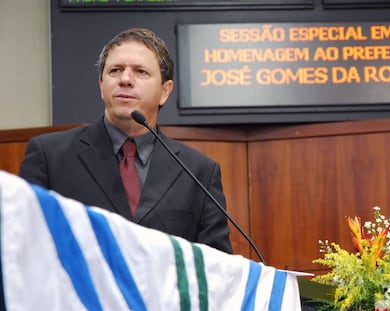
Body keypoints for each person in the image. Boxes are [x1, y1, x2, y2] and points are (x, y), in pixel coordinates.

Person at [19, 28, 232, 254]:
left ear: (165, 91)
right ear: (101, 85)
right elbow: (23, 246)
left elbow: (216, 268)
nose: (125, 80)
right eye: (115, 70)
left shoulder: (199, 172)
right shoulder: (49, 156)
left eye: (140, 72)